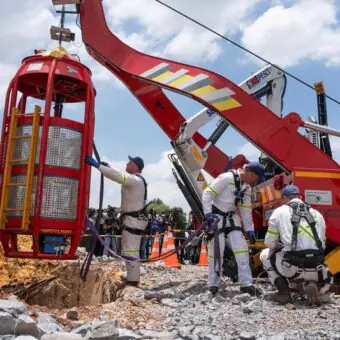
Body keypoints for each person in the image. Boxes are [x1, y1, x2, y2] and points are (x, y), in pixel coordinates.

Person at [260, 185, 332, 305]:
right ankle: (313, 285)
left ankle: (284, 293)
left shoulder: (278, 212)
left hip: (291, 269)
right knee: (314, 260)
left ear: (284, 199)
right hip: (317, 269)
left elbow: (269, 242)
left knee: (265, 255)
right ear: (300, 197)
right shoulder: (318, 214)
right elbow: (322, 244)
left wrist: (281, 246)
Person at [202, 162, 265, 296]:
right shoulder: (226, 178)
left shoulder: (246, 188)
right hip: (217, 218)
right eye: (257, 178)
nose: (256, 181)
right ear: (250, 173)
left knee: (242, 250)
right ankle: (213, 284)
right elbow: (207, 194)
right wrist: (208, 214)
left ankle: (246, 284)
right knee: (216, 252)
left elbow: (246, 209)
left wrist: (249, 229)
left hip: (232, 218)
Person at [86, 155, 148, 286]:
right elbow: (117, 176)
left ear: (135, 166)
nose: (126, 164)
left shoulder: (135, 180)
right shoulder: (134, 180)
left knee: (131, 250)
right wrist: (106, 168)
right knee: (128, 249)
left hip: (133, 221)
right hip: (131, 220)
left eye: (129, 162)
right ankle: (132, 276)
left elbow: (117, 176)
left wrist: (100, 167)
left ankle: (133, 279)